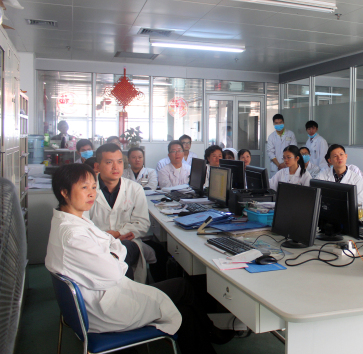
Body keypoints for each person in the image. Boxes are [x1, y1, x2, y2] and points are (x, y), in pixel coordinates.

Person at [46, 164, 230, 354]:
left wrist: (112, 252)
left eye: (94, 187)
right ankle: (210, 334)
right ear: (64, 192)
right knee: (183, 298)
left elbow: (112, 243)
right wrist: (114, 254)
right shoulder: (74, 235)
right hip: (106, 309)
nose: (92, 193)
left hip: (99, 298)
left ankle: (210, 333)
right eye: (84, 187)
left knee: (183, 299)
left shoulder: (68, 221)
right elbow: (114, 271)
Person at [88, 143, 151, 283]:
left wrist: (117, 233)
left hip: (128, 241)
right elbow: (83, 224)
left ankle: (125, 290)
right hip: (97, 243)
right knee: (106, 257)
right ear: (97, 166)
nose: (116, 167)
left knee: (121, 251)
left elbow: (142, 223)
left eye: (120, 162)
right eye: (109, 162)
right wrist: (107, 237)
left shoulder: (135, 189)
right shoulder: (87, 189)